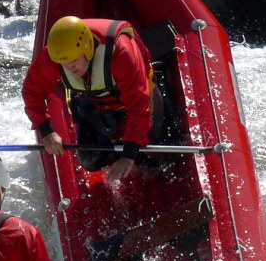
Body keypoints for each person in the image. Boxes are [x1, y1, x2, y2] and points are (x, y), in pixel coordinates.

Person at [22, 16, 164, 182]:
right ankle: (113, 153)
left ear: (87, 49)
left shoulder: (121, 51)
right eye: (64, 63)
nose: (69, 67)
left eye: (74, 61)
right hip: (94, 102)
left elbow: (139, 105)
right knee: (90, 161)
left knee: (150, 140)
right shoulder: (53, 56)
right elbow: (31, 92)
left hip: (137, 99)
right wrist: (46, 131)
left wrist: (128, 155)